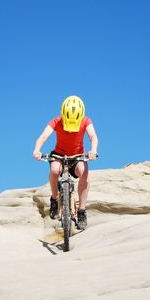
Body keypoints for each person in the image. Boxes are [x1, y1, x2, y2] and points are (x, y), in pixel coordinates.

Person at [33, 95, 98, 230]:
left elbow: (93, 136)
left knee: (84, 172)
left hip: (77, 156)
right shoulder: (56, 121)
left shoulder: (86, 121)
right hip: (59, 155)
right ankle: (55, 199)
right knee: (54, 170)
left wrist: (93, 150)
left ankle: (81, 211)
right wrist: (37, 150)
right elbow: (43, 136)